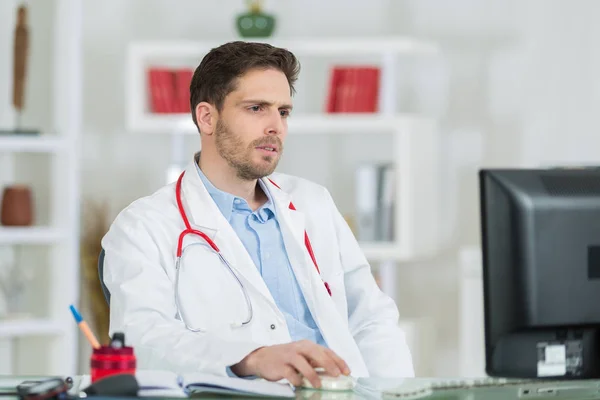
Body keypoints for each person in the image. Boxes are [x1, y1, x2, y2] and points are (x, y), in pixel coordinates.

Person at [101, 41, 414, 388]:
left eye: (283, 111)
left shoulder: (313, 203)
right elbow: (143, 342)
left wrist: (396, 393)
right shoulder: (143, 226)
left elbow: (371, 318)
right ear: (207, 117)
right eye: (256, 108)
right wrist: (251, 358)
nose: (275, 126)